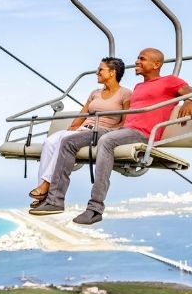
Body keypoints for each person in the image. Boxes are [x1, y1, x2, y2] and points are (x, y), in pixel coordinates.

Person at [29, 48, 192, 224]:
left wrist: (190, 100)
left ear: (156, 64)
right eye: (138, 58)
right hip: (122, 131)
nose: (136, 61)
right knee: (68, 141)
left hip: (143, 134)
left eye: (142, 58)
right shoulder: (138, 86)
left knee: (106, 141)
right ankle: (55, 201)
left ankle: (95, 208)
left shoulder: (170, 81)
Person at [28, 57, 131, 209]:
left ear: (112, 72)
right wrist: (73, 126)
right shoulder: (95, 93)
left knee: (65, 142)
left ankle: (46, 185)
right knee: (50, 141)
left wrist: (112, 133)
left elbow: (125, 120)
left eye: (100, 69)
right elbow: (83, 114)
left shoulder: (125, 94)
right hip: (85, 129)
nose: (97, 72)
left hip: (102, 131)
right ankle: (42, 193)